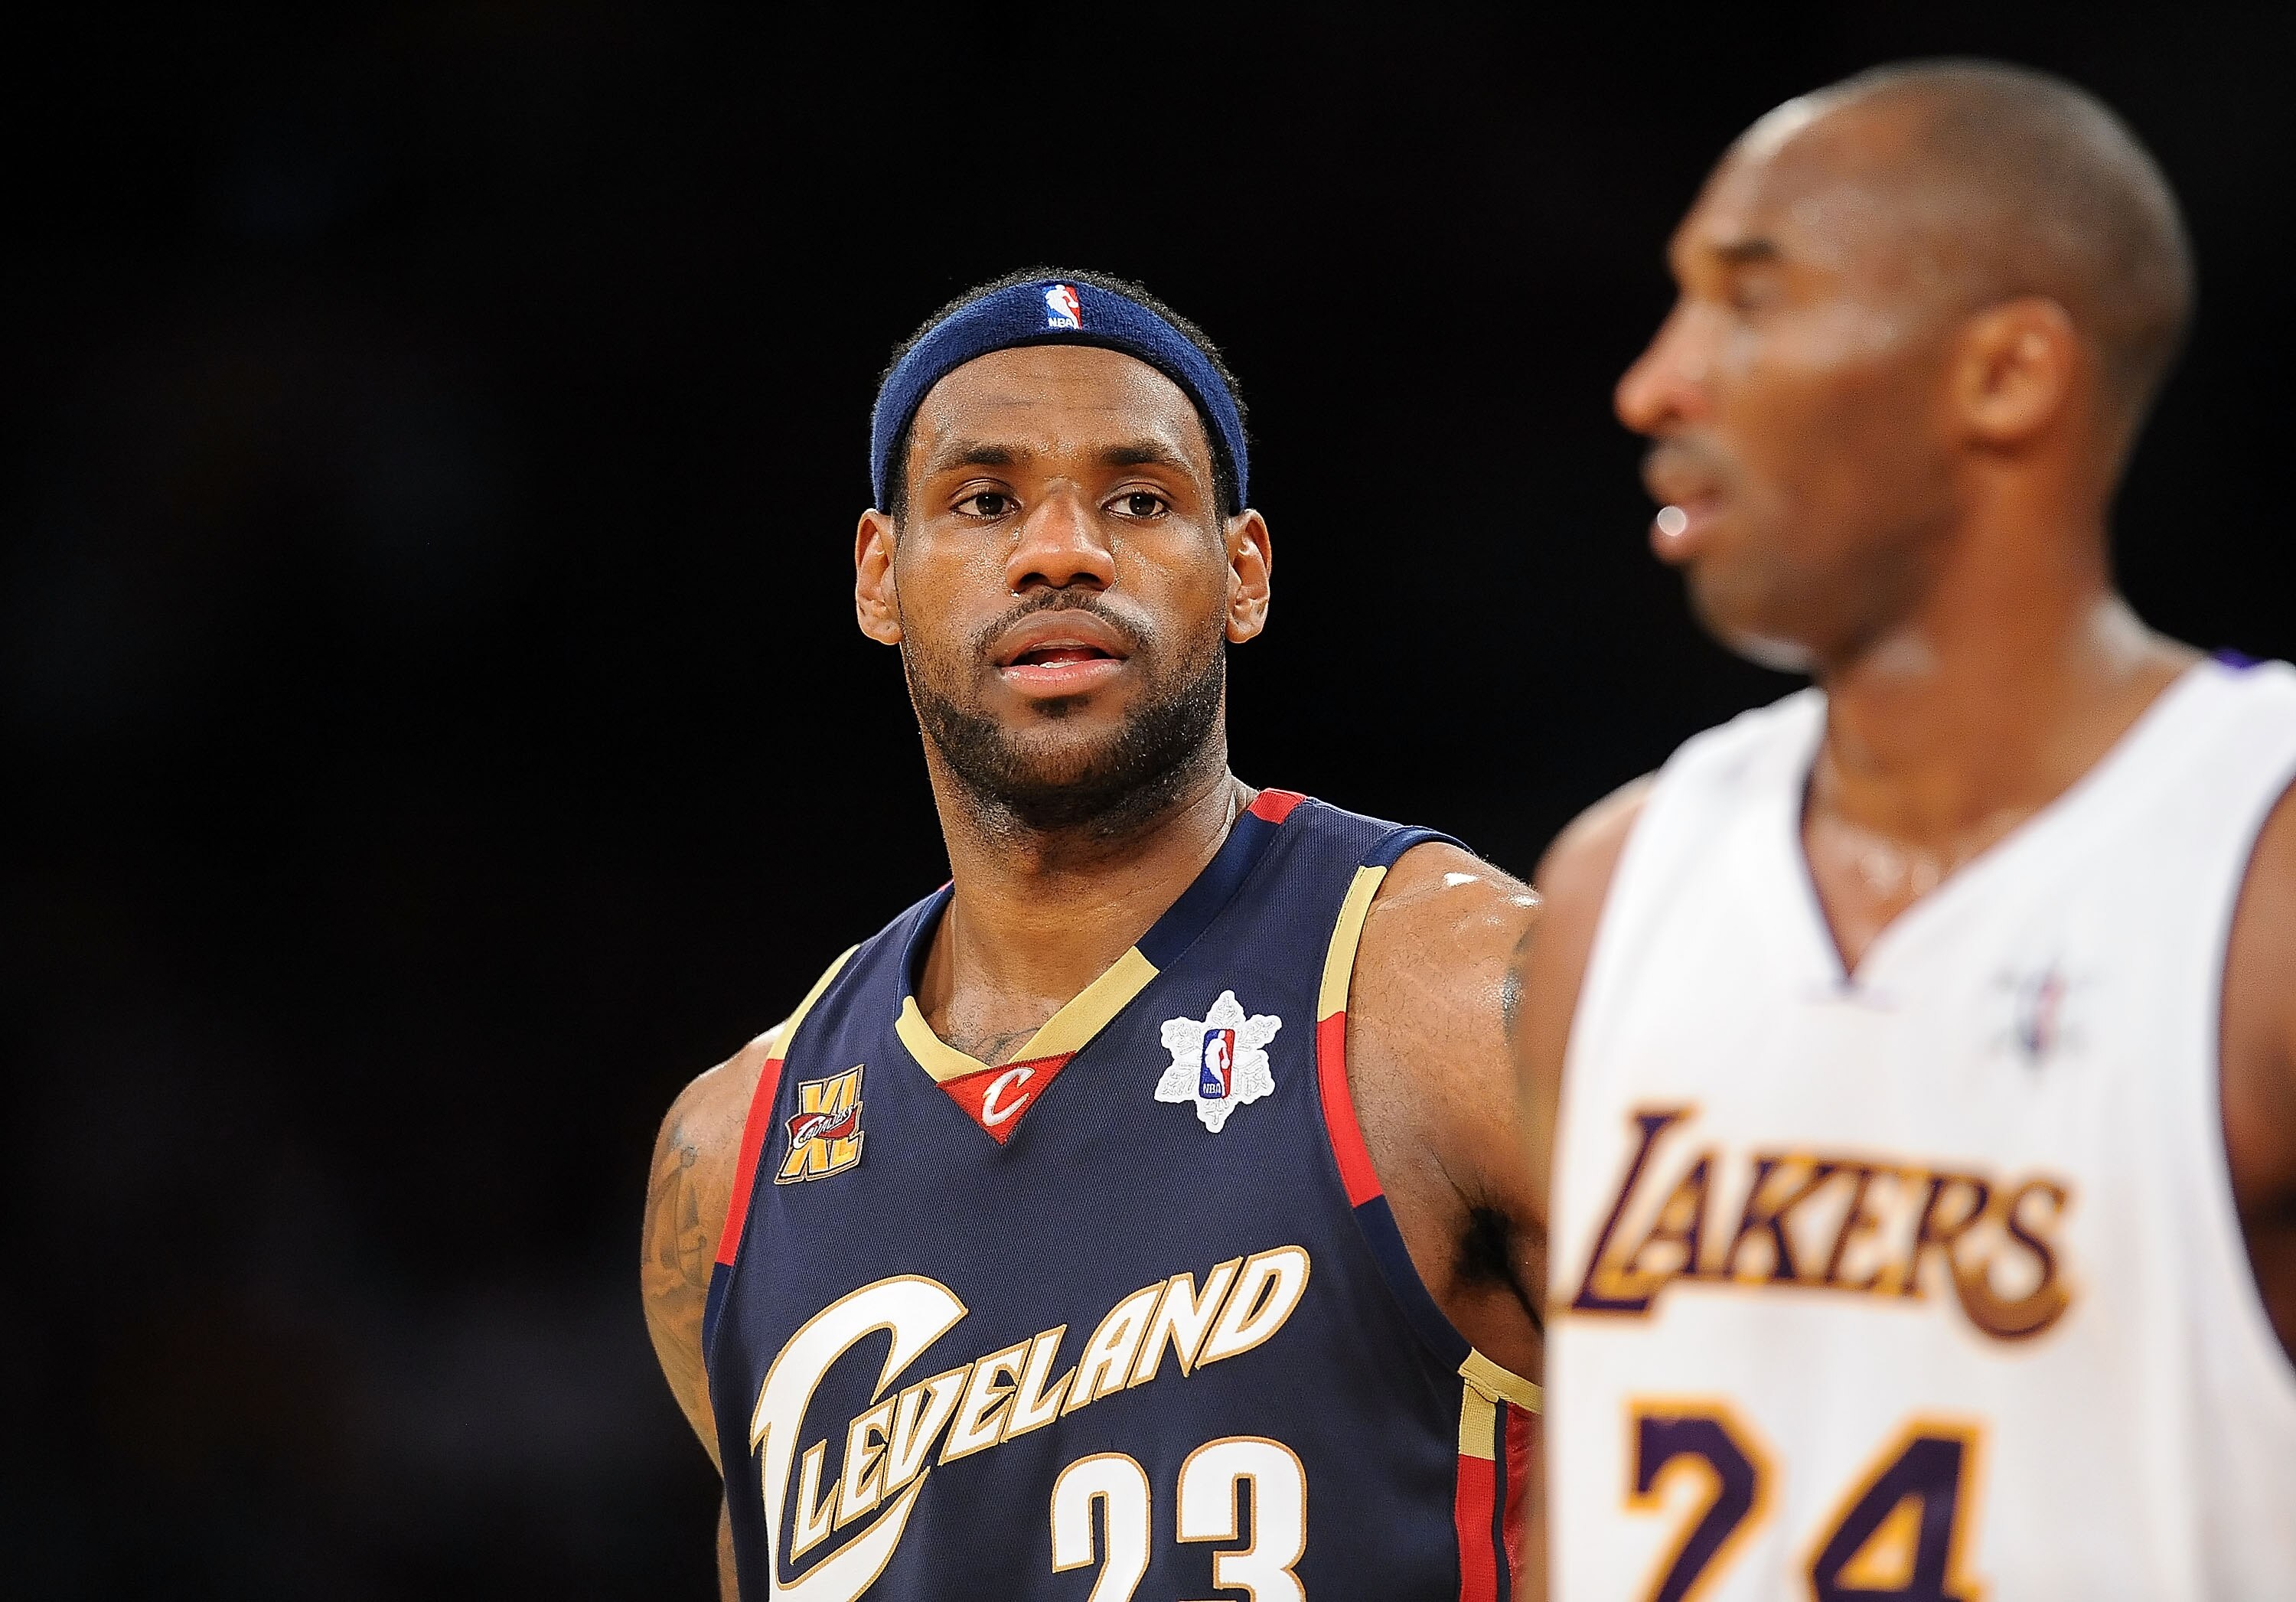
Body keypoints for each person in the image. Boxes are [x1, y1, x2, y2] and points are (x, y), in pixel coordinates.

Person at [642, 269, 1546, 1600]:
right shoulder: (733, 1154)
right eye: (985, 499)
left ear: (1243, 573)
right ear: (879, 574)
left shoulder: (1447, 992)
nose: (1060, 548)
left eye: (1138, 498)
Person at [1520, 60, 2296, 1597]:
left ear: (2006, 376)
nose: (1657, 383)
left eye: (1749, 300)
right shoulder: (1617, 884)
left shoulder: (2260, 858)